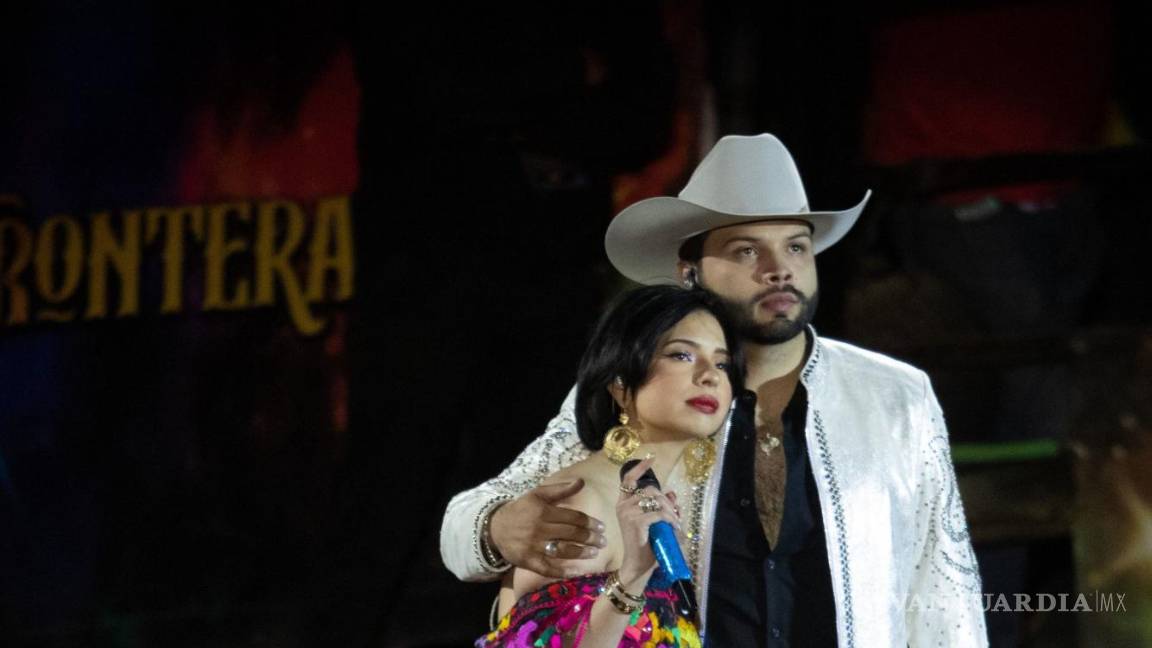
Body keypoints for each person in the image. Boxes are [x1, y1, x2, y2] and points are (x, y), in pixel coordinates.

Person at [444, 133, 988, 647]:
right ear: (690, 271)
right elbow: (467, 523)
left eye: (797, 247)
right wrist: (497, 528)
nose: (779, 270)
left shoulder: (894, 395)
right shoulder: (648, 389)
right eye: (747, 251)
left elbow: (943, 579)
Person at [478, 285, 743, 647]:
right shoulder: (578, 503)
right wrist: (631, 578)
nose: (709, 375)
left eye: (722, 363)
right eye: (681, 355)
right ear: (620, 383)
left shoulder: (677, 500)